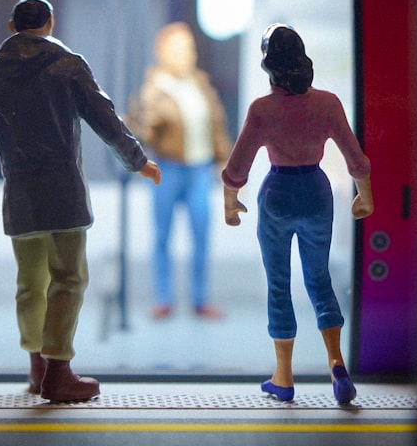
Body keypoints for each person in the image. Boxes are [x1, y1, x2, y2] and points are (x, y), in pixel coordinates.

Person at [0, 0, 161, 403]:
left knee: (30, 283)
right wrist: (138, 161)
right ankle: (59, 371)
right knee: (68, 278)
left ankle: (37, 365)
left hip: (20, 195)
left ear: (12, 25)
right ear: (50, 22)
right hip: (64, 192)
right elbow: (106, 118)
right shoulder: (68, 66)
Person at [221, 23, 373, 406]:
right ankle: (337, 364)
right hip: (317, 192)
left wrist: (230, 202)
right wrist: (364, 197)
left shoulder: (262, 109)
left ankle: (284, 377)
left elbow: (237, 166)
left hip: (278, 193)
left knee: (279, 283)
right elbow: (356, 159)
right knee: (319, 280)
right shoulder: (328, 103)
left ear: (268, 63)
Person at [132, 22, 232, 320]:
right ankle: (163, 298)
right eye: (178, 49)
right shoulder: (155, 87)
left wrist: (225, 160)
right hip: (168, 169)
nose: (186, 55)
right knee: (162, 235)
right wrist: (145, 118)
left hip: (200, 169)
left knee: (201, 234)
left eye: (189, 48)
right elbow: (145, 131)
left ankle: (200, 299)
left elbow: (217, 124)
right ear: (161, 52)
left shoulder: (200, 83)